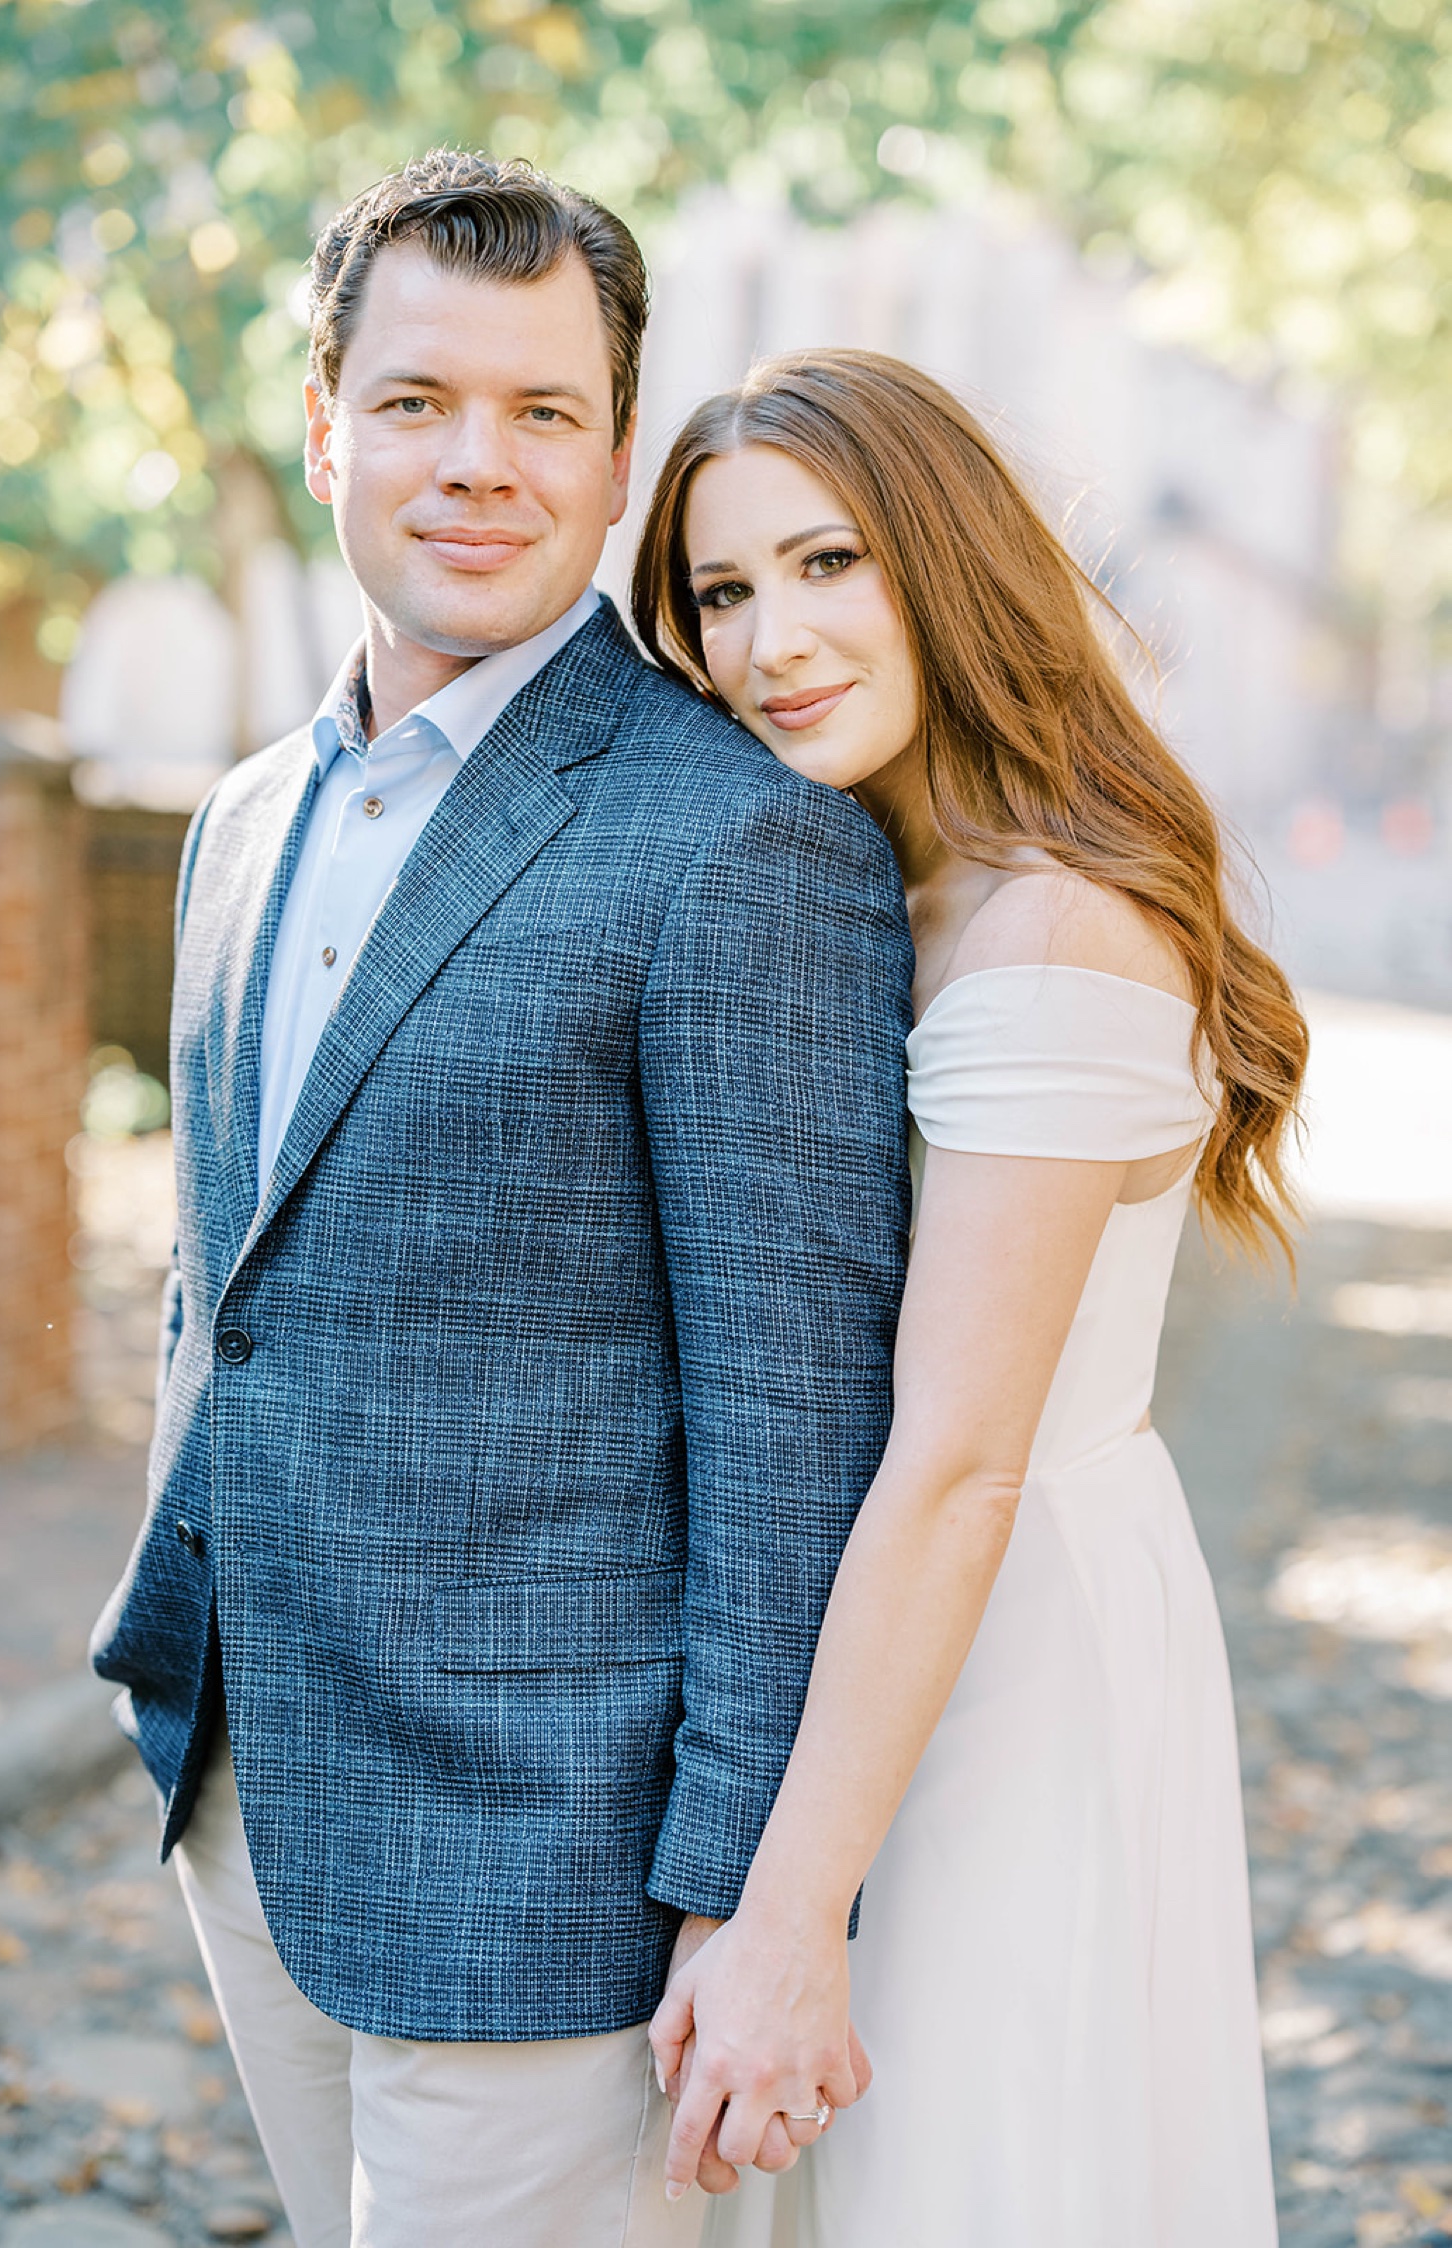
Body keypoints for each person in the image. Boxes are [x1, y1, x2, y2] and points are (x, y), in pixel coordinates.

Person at [89, 160, 911, 2248]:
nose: (479, 462)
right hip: (244, 1781)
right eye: (420, 400)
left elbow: (791, 1431)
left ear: (621, 456)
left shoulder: (737, 846)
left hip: (555, 1864)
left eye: (545, 413)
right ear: (322, 422)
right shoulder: (245, 816)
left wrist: (749, 1893)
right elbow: (229, 1286)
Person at [630, 348, 1304, 2247]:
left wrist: (781, 1924)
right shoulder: (873, 883)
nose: (775, 639)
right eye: (726, 594)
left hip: (999, 1645)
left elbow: (958, 1468)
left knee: (979, 2166)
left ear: (946, 562)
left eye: (830, 562)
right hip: (893, 1631)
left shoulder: (1051, 932)